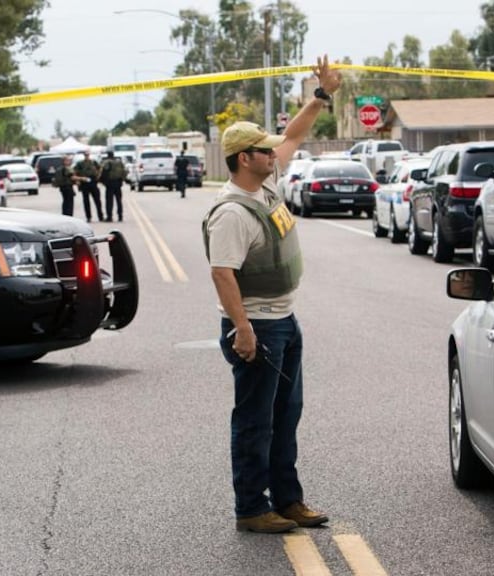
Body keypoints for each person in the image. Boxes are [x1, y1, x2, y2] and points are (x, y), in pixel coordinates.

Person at [201, 54, 341, 534]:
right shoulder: (232, 212)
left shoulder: (265, 184)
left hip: (284, 320)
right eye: (265, 150)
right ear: (245, 159)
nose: (275, 153)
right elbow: (223, 274)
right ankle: (251, 508)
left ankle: (287, 499)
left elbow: (296, 134)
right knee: (256, 420)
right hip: (257, 325)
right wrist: (242, 329)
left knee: (286, 414)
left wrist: (321, 96)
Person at [74, 150, 103, 222]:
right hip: (84, 182)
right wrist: (78, 181)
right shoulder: (80, 163)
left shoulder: (93, 162)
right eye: (85, 155)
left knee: (97, 200)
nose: (87, 156)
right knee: (86, 201)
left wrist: (98, 176)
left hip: (93, 181)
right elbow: (75, 172)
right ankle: (88, 217)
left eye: (88, 154)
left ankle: (100, 216)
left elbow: (100, 168)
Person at [100, 151, 126, 222]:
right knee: (119, 200)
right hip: (118, 182)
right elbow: (124, 172)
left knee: (109, 201)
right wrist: (121, 180)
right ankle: (120, 216)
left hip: (110, 183)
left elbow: (104, 172)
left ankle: (109, 216)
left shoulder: (107, 162)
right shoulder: (119, 162)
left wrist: (103, 181)